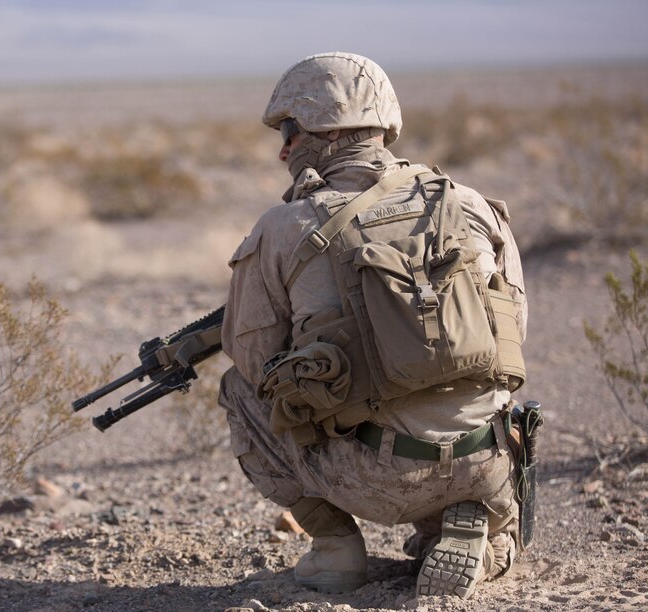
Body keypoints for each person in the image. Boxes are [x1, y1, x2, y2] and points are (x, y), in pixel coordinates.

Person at [217, 52, 528, 600]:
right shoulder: (470, 204)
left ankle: (336, 548)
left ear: (322, 133)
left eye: (289, 130)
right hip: (486, 455)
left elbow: (254, 360)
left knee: (239, 390)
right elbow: (514, 330)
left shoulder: (283, 227)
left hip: (369, 474)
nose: (283, 148)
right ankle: (469, 524)